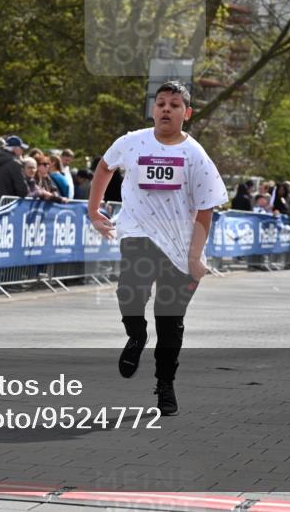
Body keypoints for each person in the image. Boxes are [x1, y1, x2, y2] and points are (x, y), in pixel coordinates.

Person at [87, 81, 227, 416]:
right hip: (137, 234)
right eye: (161, 103)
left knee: (170, 322)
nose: (166, 108)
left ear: (186, 113)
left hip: (180, 247)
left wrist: (195, 255)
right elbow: (105, 167)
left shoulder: (195, 155)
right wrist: (94, 210)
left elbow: (206, 208)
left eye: (174, 104)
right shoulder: (132, 142)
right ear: (153, 110)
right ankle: (136, 336)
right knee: (129, 292)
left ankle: (165, 384)